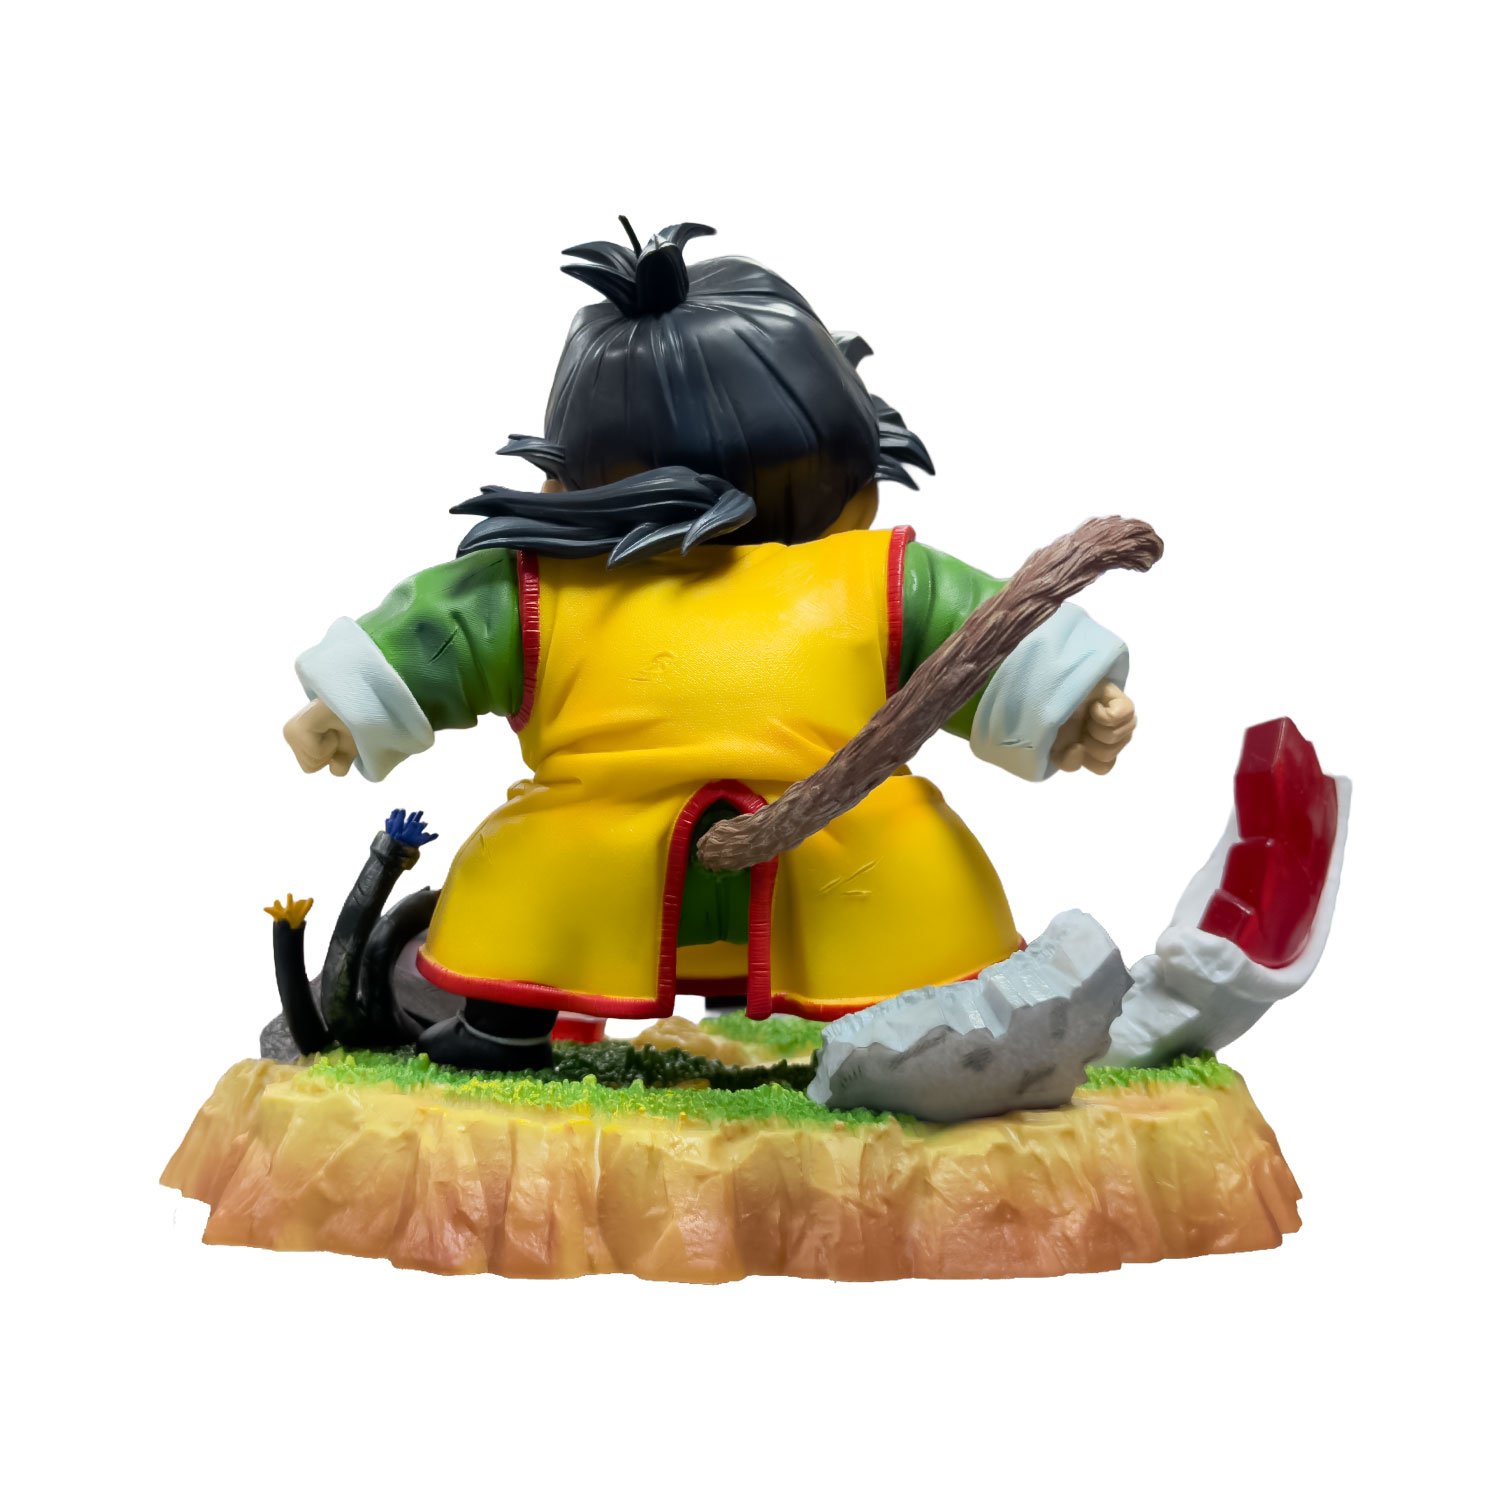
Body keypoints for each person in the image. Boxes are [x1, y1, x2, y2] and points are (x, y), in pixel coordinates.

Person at [285, 220, 1137, 1070]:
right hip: (603, 832)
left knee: (911, 875)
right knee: (525, 878)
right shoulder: (548, 588)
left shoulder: (873, 579)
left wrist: (1065, 695)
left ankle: (917, 1038)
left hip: (834, 833)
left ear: (566, 474)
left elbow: (976, 639)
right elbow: (447, 631)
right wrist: (354, 700)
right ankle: (505, 1024)